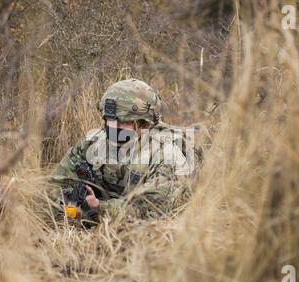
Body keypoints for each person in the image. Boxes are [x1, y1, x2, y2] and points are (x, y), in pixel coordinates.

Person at [48, 78, 197, 228]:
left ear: (143, 123)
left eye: (122, 122)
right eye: (109, 119)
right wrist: (70, 206)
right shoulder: (92, 143)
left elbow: (152, 211)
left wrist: (99, 208)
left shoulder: (166, 155)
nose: (112, 127)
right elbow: (55, 185)